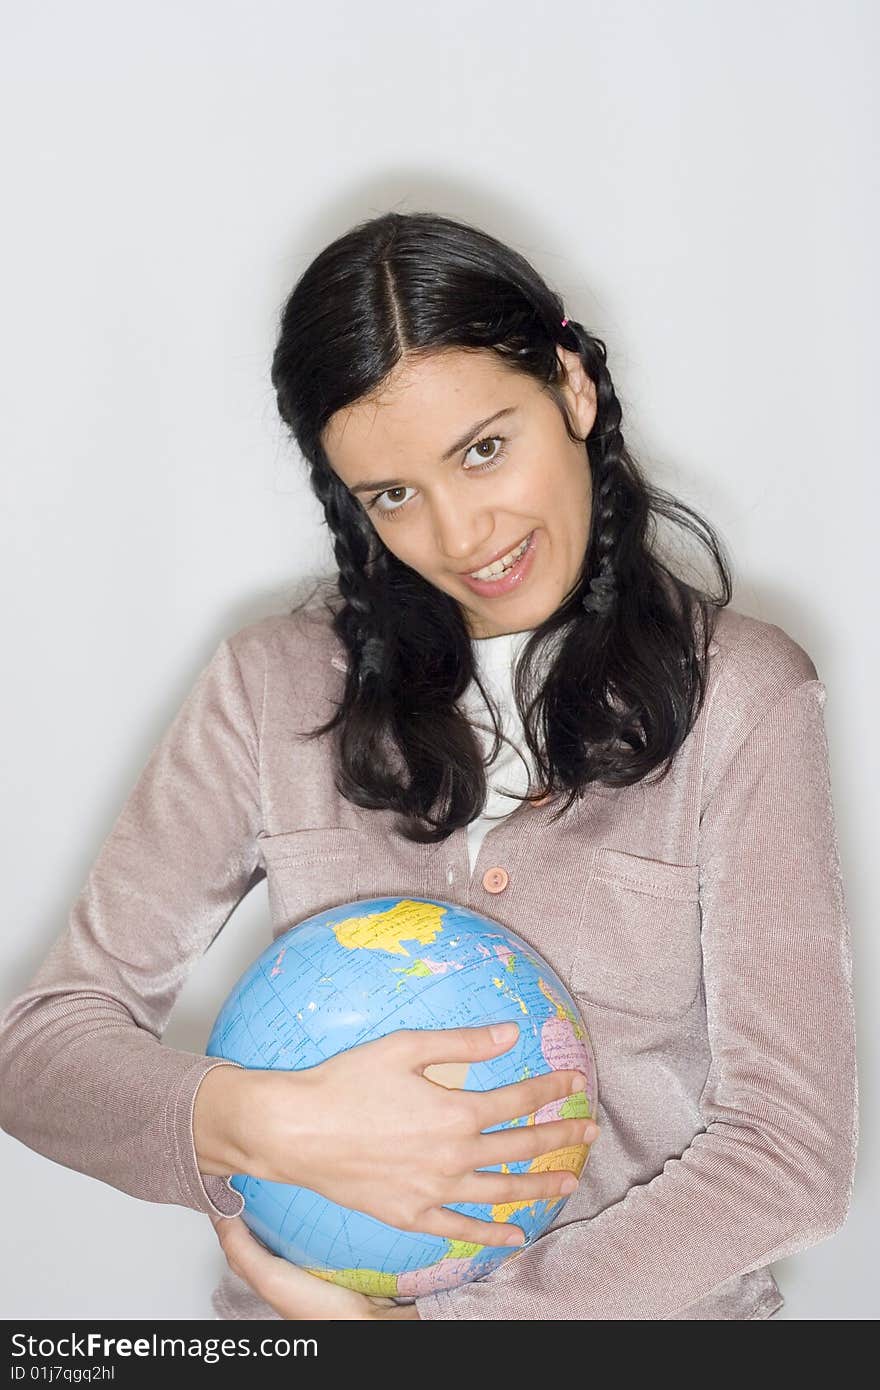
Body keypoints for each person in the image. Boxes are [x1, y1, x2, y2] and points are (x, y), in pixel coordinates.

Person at [0, 211, 858, 1322]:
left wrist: (434, 1334)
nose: (459, 536)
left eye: (483, 448)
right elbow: (40, 1050)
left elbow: (788, 1151)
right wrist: (265, 1122)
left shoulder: (742, 696)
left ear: (571, 388)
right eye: (391, 494)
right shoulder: (270, 686)